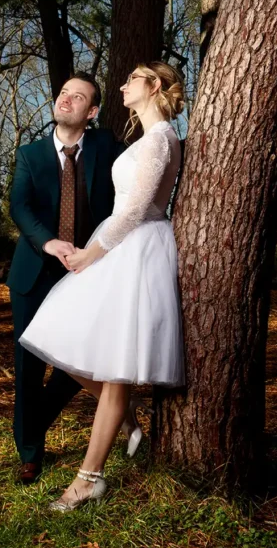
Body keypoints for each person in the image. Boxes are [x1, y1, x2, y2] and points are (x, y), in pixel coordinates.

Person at [19, 61, 185, 510]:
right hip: (119, 246)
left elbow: (135, 211)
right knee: (59, 341)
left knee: (113, 370)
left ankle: (88, 478)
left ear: (152, 86)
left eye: (132, 79)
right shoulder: (145, 139)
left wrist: (92, 255)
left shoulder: (161, 139)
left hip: (134, 251)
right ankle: (127, 418)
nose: (123, 85)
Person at [6, 73, 124, 484]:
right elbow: (18, 206)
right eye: (63, 94)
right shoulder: (31, 153)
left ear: (91, 112)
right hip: (35, 271)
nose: (66, 100)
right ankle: (31, 454)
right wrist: (48, 242)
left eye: (78, 97)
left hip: (87, 272)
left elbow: (136, 182)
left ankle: (30, 425)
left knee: (79, 362)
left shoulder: (106, 146)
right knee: (29, 364)